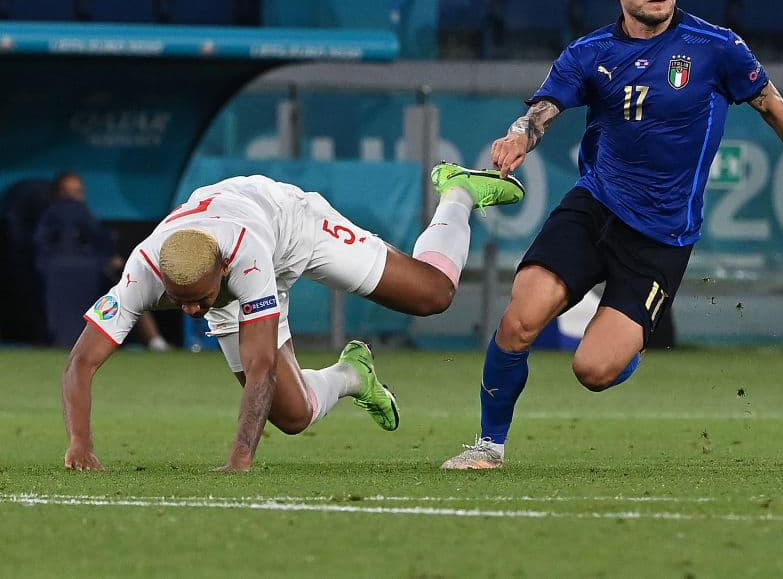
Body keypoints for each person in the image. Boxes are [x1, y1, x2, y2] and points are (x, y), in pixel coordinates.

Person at [440, 0, 783, 470]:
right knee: (519, 320)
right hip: (595, 206)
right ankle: (488, 446)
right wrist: (520, 137)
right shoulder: (591, 53)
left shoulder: (716, 47)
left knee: (593, 371)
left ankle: (628, 345)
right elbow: (544, 108)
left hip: (661, 236)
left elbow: (773, 106)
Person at [62, 163, 524, 472]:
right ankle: (351, 375)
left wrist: (240, 458)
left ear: (223, 269)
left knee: (432, 294)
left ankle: (459, 192)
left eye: (200, 300)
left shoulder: (246, 259)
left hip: (292, 225)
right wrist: (79, 444)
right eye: (179, 301)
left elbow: (261, 366)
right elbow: (81, 363)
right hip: (232, 245)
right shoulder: (142, 271)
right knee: (294, 416)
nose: (190, 312)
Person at [36, 171, 170, 350]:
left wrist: (110, 259)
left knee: (130, 287)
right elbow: (41, 245)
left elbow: (101, 240)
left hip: (98, 274)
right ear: (57, 193)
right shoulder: (50, 217)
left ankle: (154, 341)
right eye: (67, 193)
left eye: (77, 192)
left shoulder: (85, 217)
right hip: (64, 275)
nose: (73, 199)